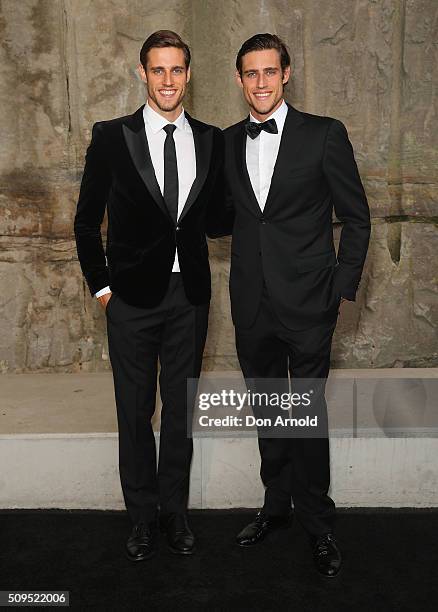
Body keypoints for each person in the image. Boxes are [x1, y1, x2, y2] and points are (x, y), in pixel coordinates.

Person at [74, 30, 226, 562]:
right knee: (134, 412)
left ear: (188, 74)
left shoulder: (211, 139)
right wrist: (104, 289)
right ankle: (140, 518)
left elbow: (223, 216)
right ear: (142, 73)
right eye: (157, 70)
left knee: (180, 411)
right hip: (131, 298)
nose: (168, 80)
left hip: (191, 296)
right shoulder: (112, 136)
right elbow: (86, 222)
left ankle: (174, 515)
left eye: (177, 70)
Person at [223, 33, 371, 577]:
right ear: (239, 81)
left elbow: (357, 216)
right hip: (251, 304)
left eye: (270, 72)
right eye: (250, 74)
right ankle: (274, 507)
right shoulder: (228, 142)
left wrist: (341, 284)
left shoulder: (325, 135)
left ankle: (318, 524)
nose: (260, 83)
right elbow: (224, 217)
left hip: (310, 303)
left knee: (306, 415)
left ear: (287, 74)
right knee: (268, 411)